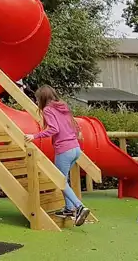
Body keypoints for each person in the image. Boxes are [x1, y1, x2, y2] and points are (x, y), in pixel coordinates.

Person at [24, 85, 90, 226]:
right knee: (63, 179)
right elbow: (74, 127)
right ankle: (69, 208)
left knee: (59, 180)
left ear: (42, 98)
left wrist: (34, 136)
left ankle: (79, 207)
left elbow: (54, 129)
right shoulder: (63, 107)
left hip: (64, 150)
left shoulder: (48, 110)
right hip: (75, 149)